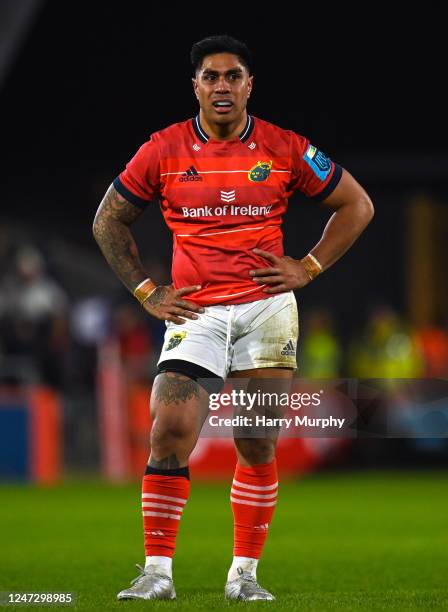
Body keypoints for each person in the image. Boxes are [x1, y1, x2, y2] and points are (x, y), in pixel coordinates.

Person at [93, 34, 374, 602]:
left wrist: (310, 265)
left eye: (234, 76)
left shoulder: (285, 146)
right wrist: (147, 291)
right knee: (168, 430)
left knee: (257, 442)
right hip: (196, 311)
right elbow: (108, 221)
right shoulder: (163, 148)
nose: (222, 85)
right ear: (195, 86)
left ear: (249, 85)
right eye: (211, 77)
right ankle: (156, 574)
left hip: (266, 310)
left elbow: (357, 204)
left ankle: (243, 577)